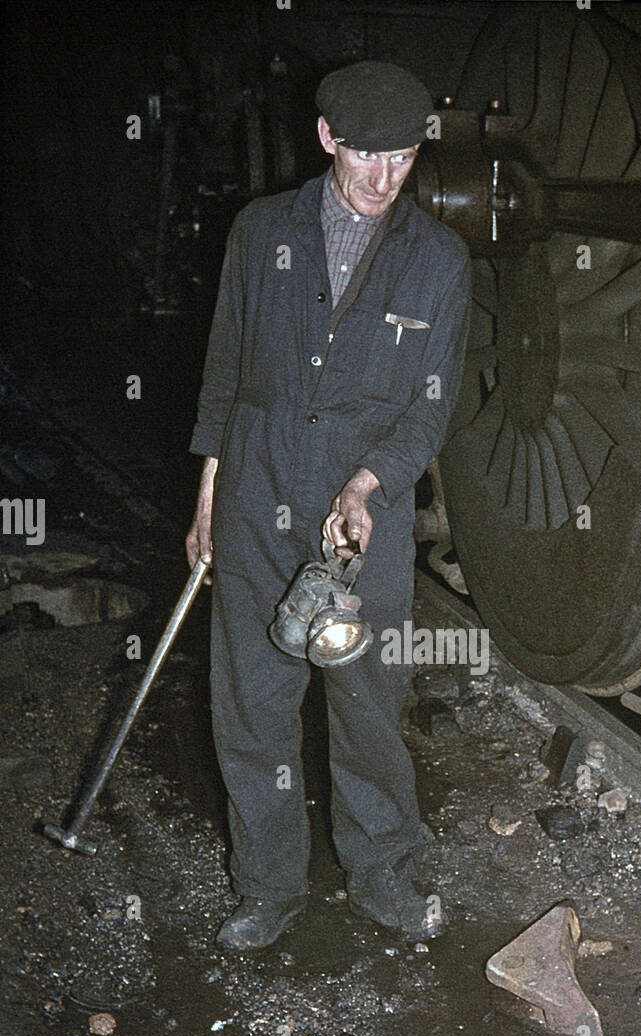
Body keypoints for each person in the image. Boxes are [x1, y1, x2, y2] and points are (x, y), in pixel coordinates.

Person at [185, 61, 471, 952]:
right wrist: (205, 499)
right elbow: (225, 372)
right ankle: (268, 886)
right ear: (326, 139)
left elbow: (430, 405)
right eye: (367, 157)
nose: (385, 180)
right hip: (255, 483)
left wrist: (368, 482)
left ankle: (383, 872)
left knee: (366, 701)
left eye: (404, 159)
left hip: (363, 508)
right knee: (253, 703)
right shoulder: (259, 232)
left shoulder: (438, 260)